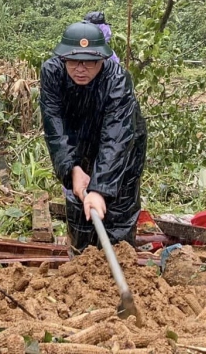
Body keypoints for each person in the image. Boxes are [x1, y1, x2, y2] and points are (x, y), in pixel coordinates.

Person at [40, 22, 146, 252]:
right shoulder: (52, 73)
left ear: (102, 60)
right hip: (78, 142)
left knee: (116, 210)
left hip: (123, 147)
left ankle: (119, 260)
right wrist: (72, 169)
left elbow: (116, 137)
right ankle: (81, 264)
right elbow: (54, 126)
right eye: (74, 61)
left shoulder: (117, 80)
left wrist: (101, 189)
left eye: (89, 62)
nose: (80, 68)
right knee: (80, 209)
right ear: (63, 58)